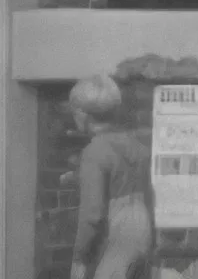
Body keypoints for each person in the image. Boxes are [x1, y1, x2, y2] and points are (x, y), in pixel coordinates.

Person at [68, 74, 155, 279]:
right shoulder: (138, 147)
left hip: (113, 238)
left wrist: (79, 259)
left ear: (82, 114)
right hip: (142, 237)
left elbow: (93, 215)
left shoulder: (95, 152)